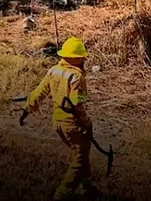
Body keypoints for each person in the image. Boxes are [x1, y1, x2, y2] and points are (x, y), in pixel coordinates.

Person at [19, 36, 97, 200]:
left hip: (58, 122)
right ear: (75, 58)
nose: (84, 59)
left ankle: (87, 186)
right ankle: (63, 193)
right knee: (80, 159)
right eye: (82, 56)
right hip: (73, 123)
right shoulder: (76, 76)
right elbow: (77, 103)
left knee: (80, 153)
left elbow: (39, 92)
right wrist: (85, 123)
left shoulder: (54, 70)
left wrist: (26, 110)